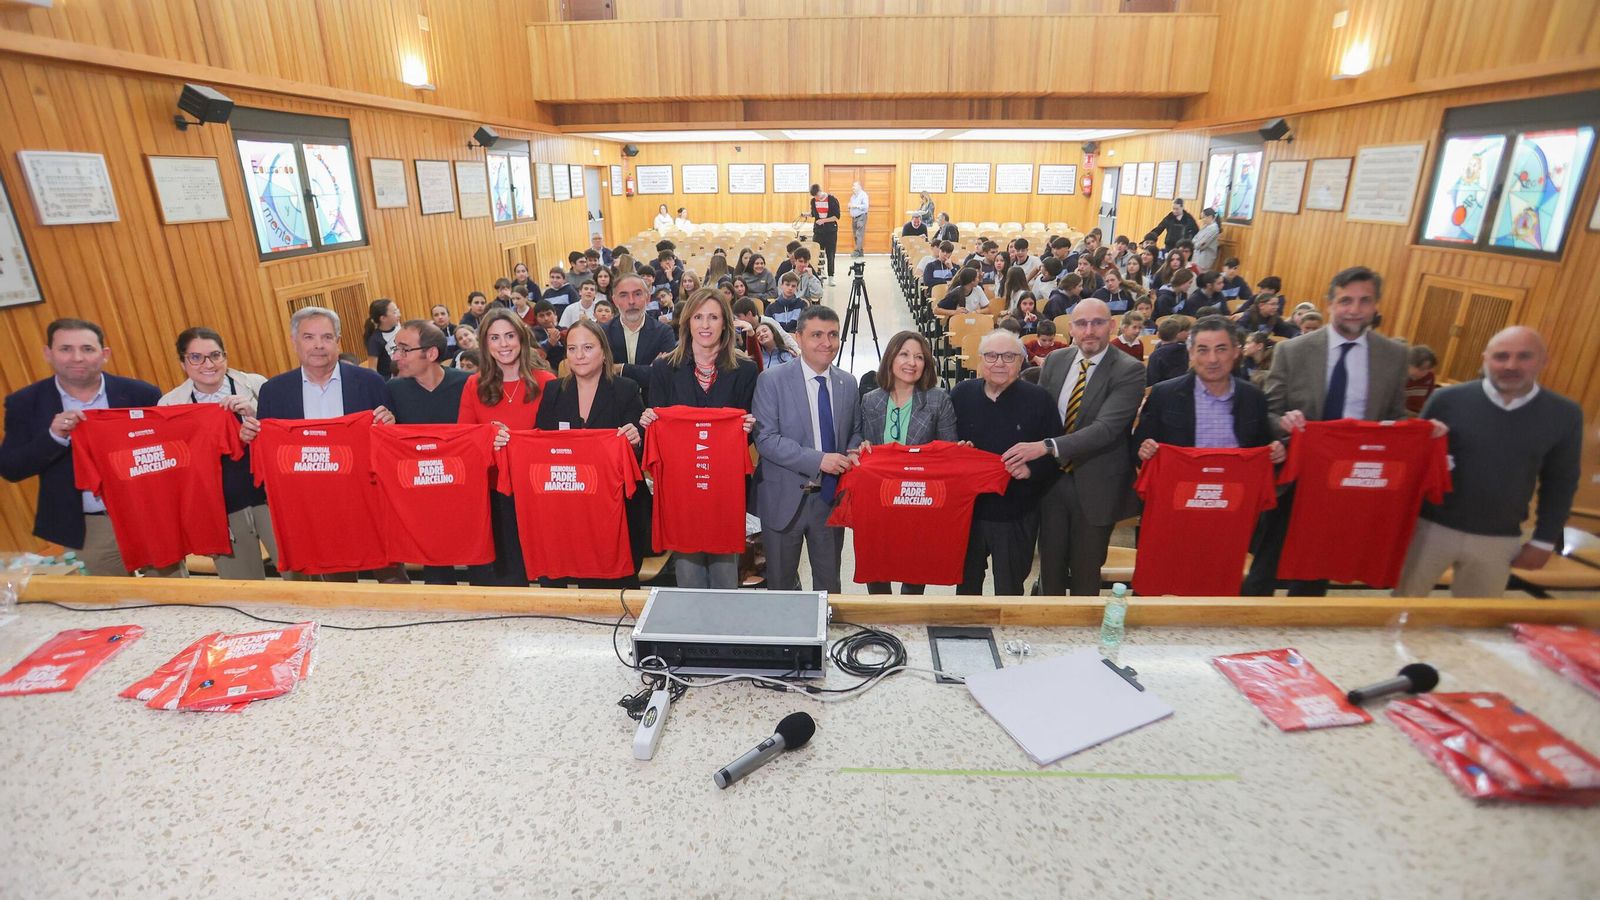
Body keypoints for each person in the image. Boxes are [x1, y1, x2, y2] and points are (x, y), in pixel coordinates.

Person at [1242, 266, 1415, 597]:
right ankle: (1247, 624)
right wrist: (1283, 424)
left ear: (1376, 306)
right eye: (1346, 300)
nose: (1354, 309)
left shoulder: (1393, 356)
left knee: (1317, 568)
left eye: (1364, 301)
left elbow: (1394, 417)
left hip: (1350, 482)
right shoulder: (1293, 351)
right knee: (1266, 567)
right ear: (1330, 303)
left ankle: (1302, 624)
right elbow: (1269, 412)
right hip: (1296, 476)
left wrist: (1418, 431)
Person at [1395, 326, 1581, 598]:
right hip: (1430, 529)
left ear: (1543, 361)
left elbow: (1561, 482)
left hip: (1499, 538)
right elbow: (1413, 465)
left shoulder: (1564, 414)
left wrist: (1544, 540)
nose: (1511, 365)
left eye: (1524, 356)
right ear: (1485, 359)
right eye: (1501, 356)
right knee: (1403, 608)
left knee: (1476, 619)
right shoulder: (1446, 400)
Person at [242, 306, 403, 583]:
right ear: (294, 341)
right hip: (316, 509)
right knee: (338, 586)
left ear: (338, 342)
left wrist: (391, 424)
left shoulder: (371, 382)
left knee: (393, 580)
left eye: (327, 337)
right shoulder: (274, 391)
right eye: (309, 337)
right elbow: (271, 454)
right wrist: (252, 436)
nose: (319, 345)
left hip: (369, 503)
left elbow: (391, 444)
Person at [1001, 299, 1145, 596]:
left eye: (1098, 322)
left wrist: (1046, 446)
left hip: (1097, 484)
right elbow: (1039, 415)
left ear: (1112, 326)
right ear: (1071, 329)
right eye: (1081, 323)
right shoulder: (1056, 360)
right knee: (1050, 571)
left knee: (1085, 575)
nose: (1089, 330)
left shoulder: (1129, 370)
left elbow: (1105, 429)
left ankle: (1083, 627)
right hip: (1052, 482)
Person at [0, 318, 163, 576]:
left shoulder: (142, 394)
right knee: (108, 597)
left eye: (87, 349)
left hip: (149, 515)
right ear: (48, 353)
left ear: (104, 354)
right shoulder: (25, 402)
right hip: (88, 526)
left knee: (172, 592)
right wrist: (53, 436)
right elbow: (11, 468)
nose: (77, 357)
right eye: (66, 349)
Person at [639, 289, 759, 589]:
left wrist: (748, 427)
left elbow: (751, 432)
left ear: (725, 323)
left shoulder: (746, 370)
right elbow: (658, 427)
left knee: (725, 576)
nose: (705, 325)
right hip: (682, 488)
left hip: (725, 486)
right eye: (698, 317)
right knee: (688, 575)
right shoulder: (663, 369)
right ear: (687, 322)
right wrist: (649, 421)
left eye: (713, 317)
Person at [752, 305, 862, 593]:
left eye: (833, 335)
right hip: (784, 498)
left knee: (829, 586)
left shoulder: (848, 383)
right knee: (781, 586)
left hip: (829, 499)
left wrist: (853, 450)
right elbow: (766, 440)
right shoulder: (771, 380)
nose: (827, 342)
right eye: (817, 335)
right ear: (798, 338)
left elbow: (855, 431)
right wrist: (819, 460)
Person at [535, 319, 649, 587]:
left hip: (617, 509)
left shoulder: (626, 388)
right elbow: (540, 445)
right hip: (569, 507)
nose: (580, 355)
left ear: (604, 352)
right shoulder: (553, 390)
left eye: (588, 347)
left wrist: (635, 440)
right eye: (572, 348)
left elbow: (641, 448)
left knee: (616, 588)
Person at [156, 327, 275, 580]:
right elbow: (178, 473)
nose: (208, 364)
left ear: (225, 356)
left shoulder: (257, 386)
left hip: (269, 499)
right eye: (196, 357)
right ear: (182, 362)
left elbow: (281, 439)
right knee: (242, 587)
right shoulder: (169, 405)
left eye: (215, 355)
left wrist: (254, 414)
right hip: (222, 511)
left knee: (299, 576)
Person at [950, 330, 1060, 595]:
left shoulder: (1040, 400)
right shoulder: (961, 395)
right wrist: (958, 450)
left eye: (1009, 356)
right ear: (980, 360)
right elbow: (944, 444)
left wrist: (1031, 470)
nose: (999, 363)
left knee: (1010, 590)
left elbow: (1057, 454)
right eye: (991, 356)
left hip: (1016, 513)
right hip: (968, 513)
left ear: (1021, 361)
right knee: (966, 589)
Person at [456, 308, 556, 586]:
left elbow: (557, 440)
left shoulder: (546, 381)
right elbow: (465, 440)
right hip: (496, 491)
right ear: (485, 344)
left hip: (539, 490)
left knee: (549, 571)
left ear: (521, 338)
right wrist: (487, 437)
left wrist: (520, 438)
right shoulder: (473, 385)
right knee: (509, 574)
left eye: (510, 336)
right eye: (495, 338)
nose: (503, 344)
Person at [855, 331, 958, 595]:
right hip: (880, 500)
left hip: (919, 501)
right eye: (904, 354)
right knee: (877, 567)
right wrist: (862, 447)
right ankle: (882, 616)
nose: (912, 362)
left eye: (919, 357)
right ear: (890, 358)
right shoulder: (870, 400)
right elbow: (861, 442)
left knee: (914, 570)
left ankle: (909, 615)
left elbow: (948, 452)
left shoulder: (938, 399)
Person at [386, 319, 472, 585]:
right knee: (437, 575)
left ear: (431, 353)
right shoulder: (392, 390)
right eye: (395, 349)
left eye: (404, 349)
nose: (397, 357)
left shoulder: (468, 384)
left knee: (481, 566)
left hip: (467, 492)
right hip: (423, 497)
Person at [1135, 316, 1284, 461]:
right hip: (1182, 477)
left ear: (1235, 352)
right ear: (1191, 353)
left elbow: (1265, 452)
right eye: (1203, 350)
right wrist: (1144, 451)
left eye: (1221, 349)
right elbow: (1139, 452)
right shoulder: (1164, 395)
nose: (1212, 359)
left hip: (1236, 477)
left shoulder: (1254, 397)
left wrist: (1276, 453)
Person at [603, 274, 679, 399]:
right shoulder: (603, 333)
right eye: (624, 295)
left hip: (651, 404)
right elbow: (601, 375)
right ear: (615, 301)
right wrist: (648, 370)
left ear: (647, 298)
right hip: (613, 403)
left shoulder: (663, 332)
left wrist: (621, 369)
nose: (631, 301)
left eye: (637, 294)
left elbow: (665, 375)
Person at [1145, 316, 1193, 386]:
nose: (1188, 333)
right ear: (1177, 333)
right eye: (1186, 330)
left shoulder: (1156, 355)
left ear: (1158, 335)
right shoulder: (1184, 351)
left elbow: (1151, 379)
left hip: (1161, 389)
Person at [808, 183, 841, 281]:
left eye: (817, 195)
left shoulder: (831, 199)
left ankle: (831, 276)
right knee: (817, 253)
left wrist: (824, 220)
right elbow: (814, 214)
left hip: (830, 231)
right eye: (814, 196)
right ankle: (819, 275)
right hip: (818, 231)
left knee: (830, 254)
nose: (816, 198)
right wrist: (806, 214)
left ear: (820, 191)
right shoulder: (813, 201)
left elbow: (836, 216)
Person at [363, 298, 401, 378]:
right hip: (391, 380)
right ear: (383, 318)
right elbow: (372, 369)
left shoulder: (399, 327)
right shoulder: (375, 340)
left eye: (397, 310)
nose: (399, 314)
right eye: (394, 312)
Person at [1405, 344, 1438, 415]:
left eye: (1428, 369)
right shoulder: (1399, 376)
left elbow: (1429, 399)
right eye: (1421, 369)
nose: (1424, 373)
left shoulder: (1429, 376)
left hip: (1420, 414)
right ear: (1409, 364)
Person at [848, 181, 869, 257]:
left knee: (859, 234)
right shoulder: (853, 196)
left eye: (854, 186)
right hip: (854, 217)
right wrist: (849, 206)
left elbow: (865, 206)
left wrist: (855, 206)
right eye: (853, 186)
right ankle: (860, 251)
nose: (853, 187)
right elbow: (851, 205)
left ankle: (857, 251)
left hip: (861, 217)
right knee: (855, 235)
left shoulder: (863, 195)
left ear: (859, 187)